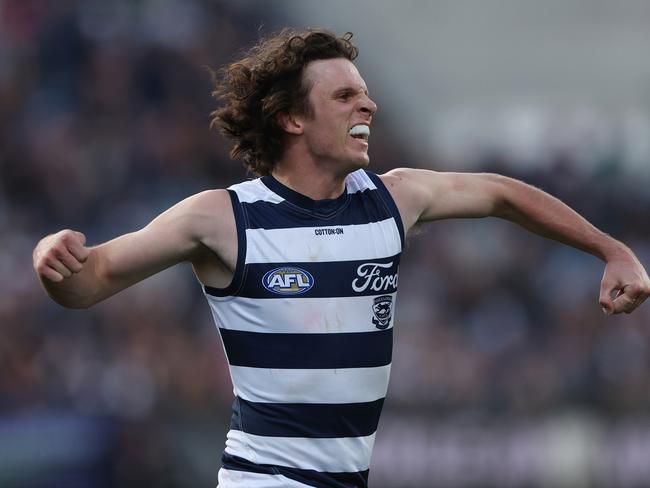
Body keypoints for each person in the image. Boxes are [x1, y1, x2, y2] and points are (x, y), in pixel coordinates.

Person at [32, 29, 650, 488]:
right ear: (293, 118)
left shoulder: (392, 199)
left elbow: (499, 194)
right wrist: (50, 256)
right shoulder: (222, 218)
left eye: (368, 93)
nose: (370, 106)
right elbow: (88, 282)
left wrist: (611, 248)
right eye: (346, 95)